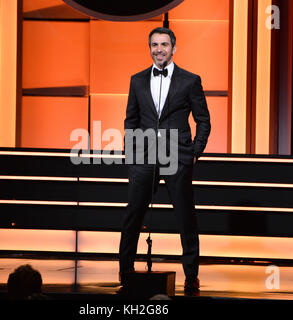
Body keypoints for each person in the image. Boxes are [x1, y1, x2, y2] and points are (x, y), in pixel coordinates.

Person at [119, 27, 211, 295]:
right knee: (133, 214)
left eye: (164, 44)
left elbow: (203, 120)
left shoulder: (190, 80)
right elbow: (130, 120)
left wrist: (195, 151)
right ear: (149, 48)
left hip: (178, 155)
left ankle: (191, 275)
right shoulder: (137, 80)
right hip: (144, 157)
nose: (159, 49)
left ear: (174, 48)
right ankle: (126, 271)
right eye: (154, 44)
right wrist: (132, 152)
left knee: (185, 217)